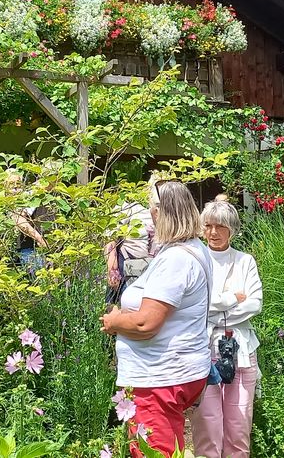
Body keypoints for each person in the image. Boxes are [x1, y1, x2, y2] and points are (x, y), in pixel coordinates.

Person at [100, 180, 211, 457]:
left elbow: (145, 324)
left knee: (155, 452)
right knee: (169, 447)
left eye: (152, 209)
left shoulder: (176, 259)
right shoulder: (194, 248)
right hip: (175, 371)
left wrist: (114, 321)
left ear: (162, 212)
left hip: (160, 377)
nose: (150, 216)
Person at [189, 199, 263, 458]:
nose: (213, 232)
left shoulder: (245, 261)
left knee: (238, 427)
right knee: (207, 428)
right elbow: (195, 304)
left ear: (231, 228)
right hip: (203, 350)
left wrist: (215, 307)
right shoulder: (195, 259)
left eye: (220, 226)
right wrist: (232, 297)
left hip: (240, 350)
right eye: (208, 226)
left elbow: (255, 303)